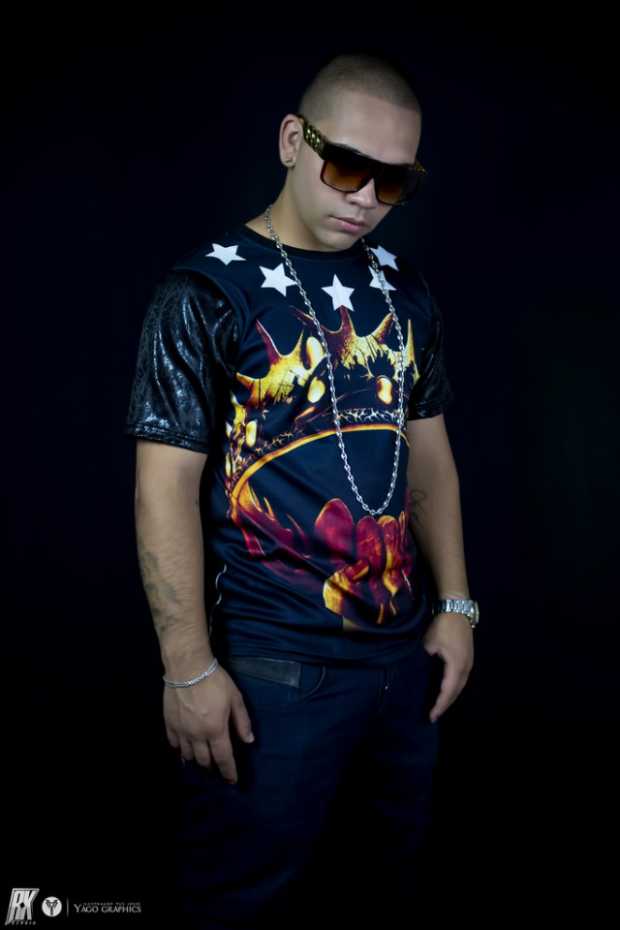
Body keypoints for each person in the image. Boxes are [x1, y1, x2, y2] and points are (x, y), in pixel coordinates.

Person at [124, 49, 478, 929]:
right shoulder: (205, 292)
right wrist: (186, 667)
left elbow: (430, 457)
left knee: (385, 891)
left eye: (395, 181)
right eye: (347, 165)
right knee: (238, 905)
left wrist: (457, 607)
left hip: (403, 665)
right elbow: (162, 489)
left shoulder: (403, 291)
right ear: (293, 140)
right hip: (272, 672)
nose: (367, 198)